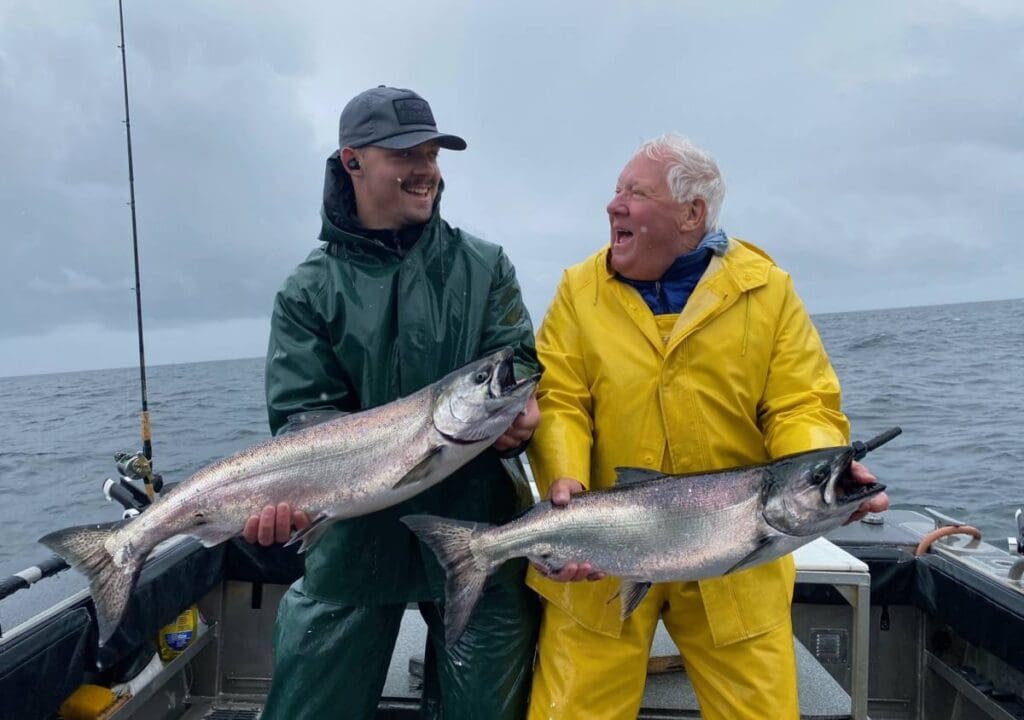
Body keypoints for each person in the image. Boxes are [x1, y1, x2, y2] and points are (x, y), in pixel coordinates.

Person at [525, 133, 889, 720]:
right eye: (616, 190)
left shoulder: (767, 291)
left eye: (634, 193)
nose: (613, 205)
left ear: (692, 214)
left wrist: (825, 471)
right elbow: (561, 399)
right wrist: (565, 479)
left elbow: (801, 403)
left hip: (737, 551)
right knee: (573, 709)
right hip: (604, 550)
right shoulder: (577, 291)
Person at [245, 86, 541, 720]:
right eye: (406, 152)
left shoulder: (486, 267)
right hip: (352, 547)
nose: (426, 168)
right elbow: (304, 415)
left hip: (479, 534)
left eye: (433, 152)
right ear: (352, 162)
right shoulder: (308, 291)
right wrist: (294, 494)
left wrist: (522, 411)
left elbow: (518, 363)